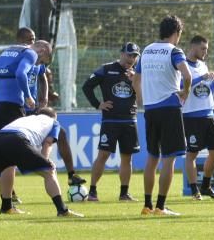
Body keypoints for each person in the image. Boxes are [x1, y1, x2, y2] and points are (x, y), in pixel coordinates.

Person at [132, 15, 192, 216]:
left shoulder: (146, 51)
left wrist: (141, 99)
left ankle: (147, 205)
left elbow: (136, 80)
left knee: (152, 157)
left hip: (150, 109)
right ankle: (161, 206)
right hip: (169, 107)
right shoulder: (174, 51)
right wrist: (185, 91)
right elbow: (187, 75)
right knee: (169, 158)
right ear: (177, 33)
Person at [0, 107, 83, 218]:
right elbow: (48, 143)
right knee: (49, 171)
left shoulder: (27, 118)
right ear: (54, 117)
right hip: (17, 139)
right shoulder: (53, 122)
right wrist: (45, 161)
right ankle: (62, 210)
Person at [0, 27, 38, 205]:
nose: (33, 43)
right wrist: (28, 95)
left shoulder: (6, 53)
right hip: (12, 108)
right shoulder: (28, 53)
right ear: (27, 40)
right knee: (10, 157)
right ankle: (7, 204)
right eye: (32, 39)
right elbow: (21, 74)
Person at [82, 42, 141, 202]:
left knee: (127, 158)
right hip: (111, 120)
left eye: (135, 56)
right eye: (129, 55)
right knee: (103, 155)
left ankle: (124, 193)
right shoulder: (107, 69)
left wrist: (135, 81)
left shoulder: (138, 73)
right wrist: (98, 104)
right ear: (121, 53)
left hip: (130, 120)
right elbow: (87, 86)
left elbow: (143, 96)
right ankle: (93, 192)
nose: (132, 58)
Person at [29, 41, 87, 191]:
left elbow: (43, 75)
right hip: (21, 109)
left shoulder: (38, 65)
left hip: (35, 109)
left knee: (60, 134)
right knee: (14, 145)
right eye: (30, 39)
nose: (31, 42)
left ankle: (71, 175)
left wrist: (44, 99)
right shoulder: (22, 60)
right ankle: (11, 191)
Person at [182, 35, 214, 201]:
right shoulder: (182, 65)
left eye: (206, 48)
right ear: (193, 47)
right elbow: (181, 86)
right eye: (203, 48)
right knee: (192, 154)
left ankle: (206, 186)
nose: (205, 52)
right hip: (191, 116)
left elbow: (206, 90)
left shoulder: (203, 65)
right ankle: (194, 189)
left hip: (208, 114)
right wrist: (201, 78)